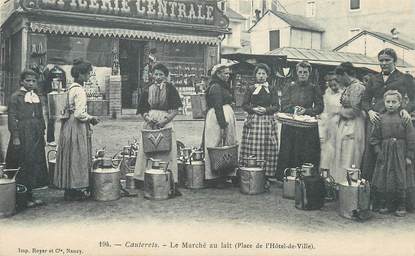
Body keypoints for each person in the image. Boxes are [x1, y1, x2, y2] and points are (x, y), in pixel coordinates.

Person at [362, 48, 415, 180]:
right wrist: (369, 111)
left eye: (387, 60)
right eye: (381, 61)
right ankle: (370, 188)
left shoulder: (404, 78)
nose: (384, 63)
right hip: (375, 120)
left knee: (394, 154)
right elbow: (365, 100)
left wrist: (406, 110)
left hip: (395, 122)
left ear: (394, 61)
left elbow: (414, 99)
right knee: (372, 152)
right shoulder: (374, 79)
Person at [54, 58, 100, 201]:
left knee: (69, 155)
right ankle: (76, 187)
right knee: (77, 155)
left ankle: (69, 188)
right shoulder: (79, 91)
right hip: (77, 125)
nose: (88, 77)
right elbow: (80, 113)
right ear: (80, 74)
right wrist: (92, 118)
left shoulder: (70, 88)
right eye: (87, 74)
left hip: (68, 124)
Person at [134, 63, 182, 191]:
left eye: (161, 74)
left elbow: (175, 110)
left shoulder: (171, 89)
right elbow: (143, 108)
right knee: (147, 148)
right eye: (156, 74)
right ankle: (143, 178)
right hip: (150, 122)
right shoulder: (147, 88)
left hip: (165, 122)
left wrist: (164, 121)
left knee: (166, 149)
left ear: (166, 76)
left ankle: (167, 178)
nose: (158, 77)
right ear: (152, 75)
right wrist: (148, 119)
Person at [5, 69, 49, 207]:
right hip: (23, 134)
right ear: (21, 82)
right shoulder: (16, 97)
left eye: (34, 81)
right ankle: (21, 198)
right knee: (23, 163)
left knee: (34, 164)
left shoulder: (36, 96)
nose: (31, 83)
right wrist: (15, 137)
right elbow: (12, 118)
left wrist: (42, 131)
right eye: (28, 81)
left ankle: (31, 194)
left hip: (35, 134)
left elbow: (40, 116)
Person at [370, 90, 415, 217]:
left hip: (400, 153)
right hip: (385, 153)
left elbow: (411, 138)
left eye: (394, 102)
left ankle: (401, 204)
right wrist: (378, 152)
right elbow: (374, 138)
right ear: (384, 102)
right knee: (383, 178)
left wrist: (409, 156)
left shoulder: (404, 118)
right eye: (388, 102)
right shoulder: (380, 118)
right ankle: (385, 203)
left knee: (401, 178)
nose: (390, 104)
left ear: (400, 103)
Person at [276, 61, 323, 181]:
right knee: (289, 150)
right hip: (291, 124)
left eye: (305, 72)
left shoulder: (314, 87)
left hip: (306, 126)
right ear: (296, 73)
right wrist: (294, 109)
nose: (302, 74)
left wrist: (306, 111)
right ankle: (287, 177)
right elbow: (284, 105)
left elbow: (319, 107)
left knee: (306, 151)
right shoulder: (289, 86)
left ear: (309, 73)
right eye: (300, 72)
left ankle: (305, 176)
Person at [240, 63, 279, 178]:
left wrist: (266, 109)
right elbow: (244, 105)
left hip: (267, 121)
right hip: (254, 120)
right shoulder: (251, 88)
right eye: (259, 73)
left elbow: (276, 106)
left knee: (269, 146)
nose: (261, 76)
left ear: (267, 75)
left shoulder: (271, 89)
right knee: (253, 146)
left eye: (263, 73)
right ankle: (252, 170)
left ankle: (267, 173)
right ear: (255, 75)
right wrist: (254, 109)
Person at [204, 63, 238, 188]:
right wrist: (223, 124)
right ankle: (215, 176)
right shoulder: (216, 87)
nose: (228, 75)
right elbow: (218, 106)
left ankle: (224, 174)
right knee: (216, 144)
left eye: (229, 73)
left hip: (224, 114)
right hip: (218, 118)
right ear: (218, 74)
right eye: (225, 73)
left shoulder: (223, 86)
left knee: (225, 145)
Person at [331, 62, 366, 184]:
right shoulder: (350, 86)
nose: (338, 81)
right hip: (346, 124)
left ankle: (349, 185)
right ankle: (341, 184)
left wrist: (338, 112)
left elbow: (355, 111)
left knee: (350, 154)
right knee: (343, 154)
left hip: (354, 125)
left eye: (339, 78)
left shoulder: (357, 87)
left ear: (345, 74)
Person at [319, 71, 343, 172]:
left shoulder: (343, 94)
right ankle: (325, 172)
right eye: (330, 82)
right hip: (328, 123)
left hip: (341, 123)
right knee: (326, 149)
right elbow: (324, 111)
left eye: (335, 81)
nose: (333, 84)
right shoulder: (326, 94)